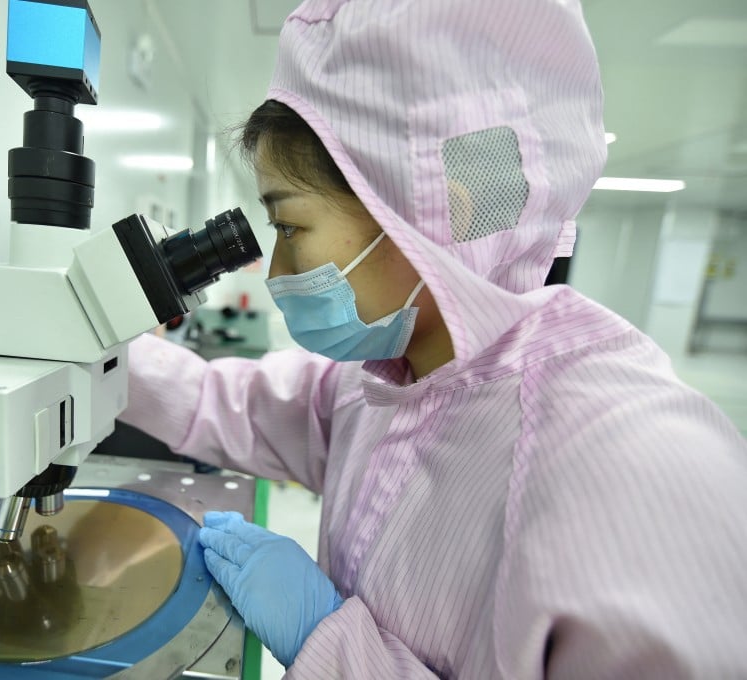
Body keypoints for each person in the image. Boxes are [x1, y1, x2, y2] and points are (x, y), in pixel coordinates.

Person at [120, 0, 747, 676]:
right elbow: (234, 404)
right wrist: (97, 355)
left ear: (436, 210)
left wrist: (329, 644)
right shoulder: (395, 370)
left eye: (291, 228)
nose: (276, 273)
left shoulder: (641, 466)